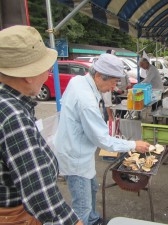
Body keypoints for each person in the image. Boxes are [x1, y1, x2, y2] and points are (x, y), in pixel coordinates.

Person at [54, 54, 150, 225]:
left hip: (78, 147)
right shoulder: (86, 101)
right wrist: (134, 144)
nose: (114, 87)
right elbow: (103, 141)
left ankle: (92, 220)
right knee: (81, 204)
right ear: (98, 75)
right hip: (75, 156)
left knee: (91, 188)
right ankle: (85, 219)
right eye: (113, 82)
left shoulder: (78, 80)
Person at [0, 25, 82, 225]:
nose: (48, 75)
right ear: (28, 75)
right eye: (45, 69)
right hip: (15, 217)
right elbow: (39, 194)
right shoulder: (13, 115)